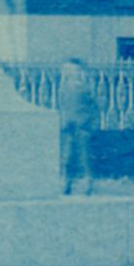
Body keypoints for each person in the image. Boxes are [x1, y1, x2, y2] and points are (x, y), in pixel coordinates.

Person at [55, 58, 98, 195]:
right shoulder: (63, 87)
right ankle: (65, 182)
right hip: (67, 126)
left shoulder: (87, 87)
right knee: (66, 156)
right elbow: (62, 105)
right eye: (67, 71)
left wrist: (89, 123)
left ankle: (87, 183)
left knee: (83, 156)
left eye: (74, 70)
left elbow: (94, 107)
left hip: (82, 126)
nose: (69, 73)